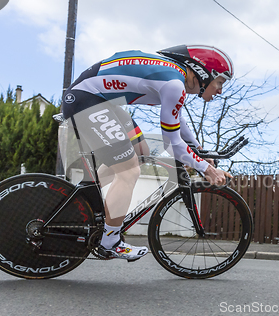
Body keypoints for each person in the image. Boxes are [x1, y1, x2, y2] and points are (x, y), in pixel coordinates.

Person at [61, 45, 234, 261]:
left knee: (140, 151)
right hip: (86, 100)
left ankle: (85, 194)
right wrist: (206, 168)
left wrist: (196, 150)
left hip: (100, 100)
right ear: (202, 71)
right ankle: (110, 242)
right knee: (129, 171)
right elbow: (172, 144)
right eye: (220, 82)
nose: (220, 90)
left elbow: (177, 119)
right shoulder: (174, 84)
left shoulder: (174, 77)